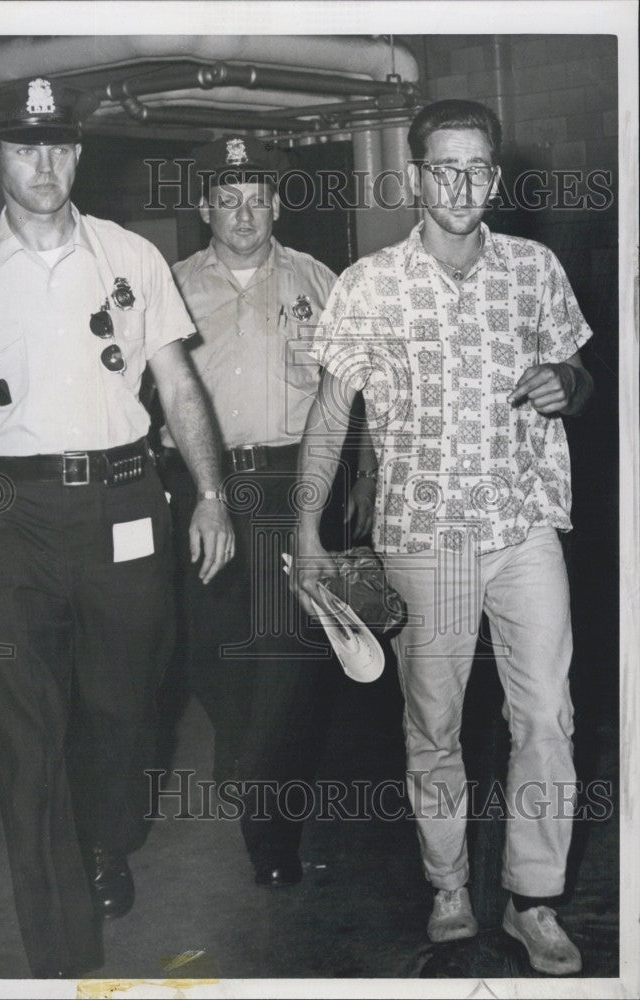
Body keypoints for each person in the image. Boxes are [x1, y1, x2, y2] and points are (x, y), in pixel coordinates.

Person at [0, 77, 233, 978]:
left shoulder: (130, 255)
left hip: (125, 502)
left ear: (78, 153)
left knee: (126, 711)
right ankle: (62, 955)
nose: (44, 164)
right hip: (5, 517)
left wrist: (211, 493)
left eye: (59, 146)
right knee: (26, 735)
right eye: (24, 147)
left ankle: (108, 831)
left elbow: (179, 385)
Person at [291, 100, 593, 975]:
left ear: (493, 177)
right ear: (416, 176)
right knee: (435, 722)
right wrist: (306, 529)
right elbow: (328, 418)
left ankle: (533, 898)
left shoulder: (535, 270)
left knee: (548, 714)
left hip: (523, 524)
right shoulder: (368, 285)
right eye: (442, 167)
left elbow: (579, 374)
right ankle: (450, 881)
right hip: (424, 537)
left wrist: (564, 384)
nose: (460, 184)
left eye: (476, 168)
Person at [159, 136, 376, 887]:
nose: (244, 213)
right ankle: (248, 755)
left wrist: (363, 476)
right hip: (205, 490)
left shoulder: (321, 280)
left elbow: (351, 394)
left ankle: (271, 830)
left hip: (293, 484)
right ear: (204, 208)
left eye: (257, 198)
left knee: (288, 661)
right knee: (214, 651)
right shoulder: (171, 288)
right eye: (228, 198)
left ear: (277, 205)